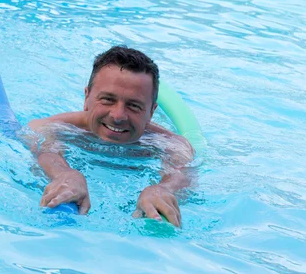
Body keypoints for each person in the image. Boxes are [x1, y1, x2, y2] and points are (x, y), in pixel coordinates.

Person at [28, 45, 195, 227]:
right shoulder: (59, 128)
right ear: (87, 98)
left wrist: (163, 189)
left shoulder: (168, 144)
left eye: (134, 106)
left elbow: (182, 174)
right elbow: (43, 146)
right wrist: (65, 174)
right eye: (108, 99)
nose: (118, 116)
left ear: (151, 112)